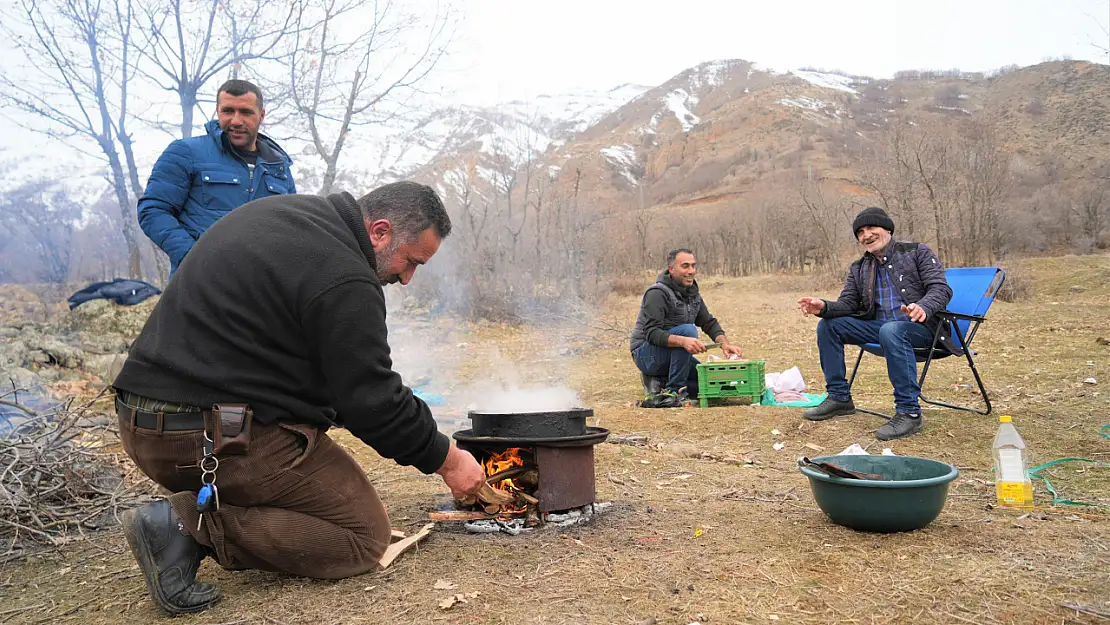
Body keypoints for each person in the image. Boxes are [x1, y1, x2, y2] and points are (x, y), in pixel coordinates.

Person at [112, 182, 485, 614]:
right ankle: (186, 526)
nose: (406, 278)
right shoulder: (344, 273)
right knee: (363, 537)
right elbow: (371, 401)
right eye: (410, 262)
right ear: (380, 231)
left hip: (147, 422)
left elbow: (315, 370)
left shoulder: (286, 215)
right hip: (205, 437)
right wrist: (449, 460)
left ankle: (210, 506)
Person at [797, 207, 954, 441]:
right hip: (882, 329)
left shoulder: (917, 252)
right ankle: (839, 398)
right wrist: (825, 307)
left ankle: (909, 412)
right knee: (829, 325)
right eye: (860, 232)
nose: (866, 235)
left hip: (922, 329)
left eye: (871, 228)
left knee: (891, 330)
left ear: (887, 229)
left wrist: (923, 306)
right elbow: (848, 303)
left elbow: (941, 289)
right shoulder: (860, 267)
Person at [138, 79, 296, 277]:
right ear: (218, 111)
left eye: (246, 112)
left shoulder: (279, 167)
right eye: (228, 111)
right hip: (200, 287)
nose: (236, 121)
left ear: (261, 115)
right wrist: (195, 258)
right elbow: (153, 211)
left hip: (262, 292)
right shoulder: (185, 152)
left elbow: (290, 228)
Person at [629, 248, 743, 407]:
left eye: (693, 266)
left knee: (709, 385)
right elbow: (652, 333)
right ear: (671, 269)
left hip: (676, 353)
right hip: (645, 354)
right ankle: (674, 392)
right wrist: (683, 341)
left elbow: (708, 322)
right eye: (685, 266)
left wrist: (725, 344)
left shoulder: (692, 293)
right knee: (688, 330)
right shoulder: (657, 293)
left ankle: (659, 383)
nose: (691, 271)